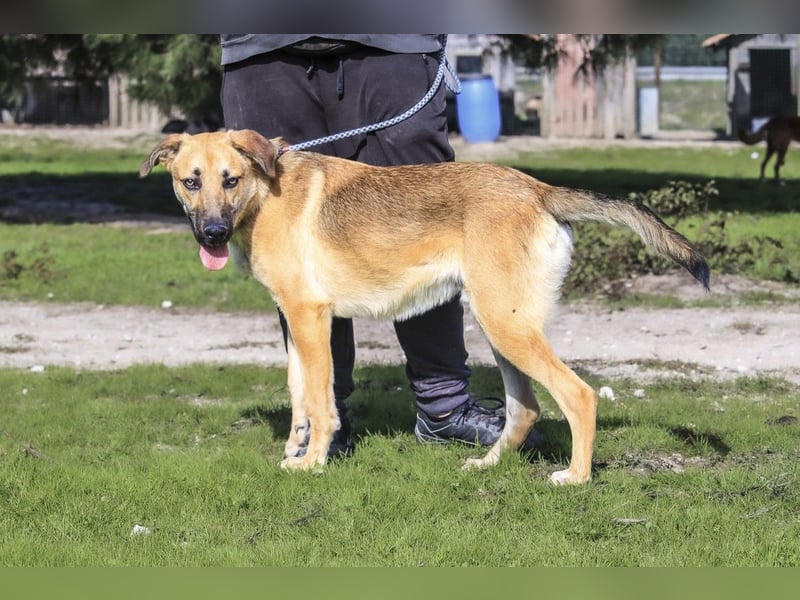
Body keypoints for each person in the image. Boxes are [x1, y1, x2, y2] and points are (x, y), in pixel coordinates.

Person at [219, 34, 542, 458]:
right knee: (294, 270)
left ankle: (443, 406)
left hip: (393, 38)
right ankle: (321, 422)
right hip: (264, 44)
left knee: (436, 218)